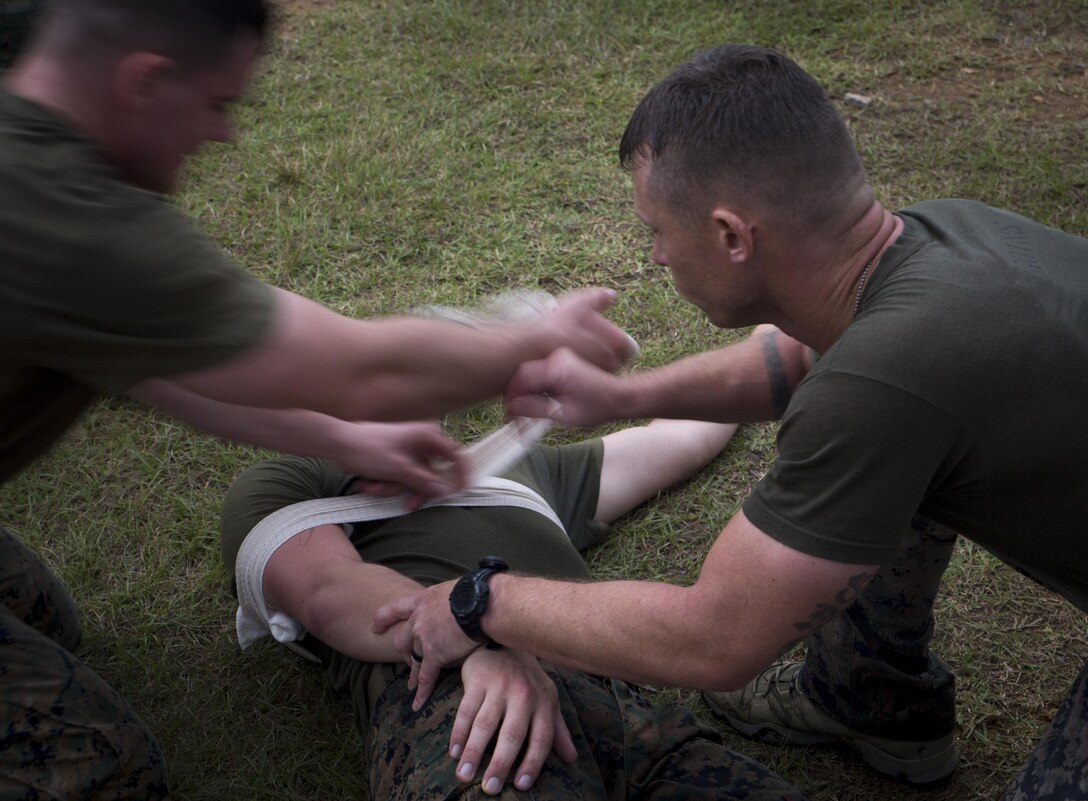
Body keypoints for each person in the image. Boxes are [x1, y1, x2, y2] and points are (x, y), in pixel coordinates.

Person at [374, 45, 1088, 800]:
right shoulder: (945, 236)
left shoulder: (881, 387)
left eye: (657, 231)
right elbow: (800, 362)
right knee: (873, 467)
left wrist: (483, 602)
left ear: (732, 237)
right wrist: (620, 399)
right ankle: (868, 700)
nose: (654, 255)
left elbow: (714, 637)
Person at [0, 1, 633, 797]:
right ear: (144, 81)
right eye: (218, 104)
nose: (223, 135)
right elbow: (364, 370)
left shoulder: (32, 156)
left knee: (46, 619)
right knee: (98, 763)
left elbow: (157, 370)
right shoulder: (68, 221)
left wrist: (358, 443)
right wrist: (530, 341)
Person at [221, 414, 812, 800]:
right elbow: (330, 593)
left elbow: (682, 435)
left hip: (621, 703)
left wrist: (773, 349)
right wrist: (476, 635)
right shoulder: (293, 480)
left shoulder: (509, 467)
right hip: (458, 713)